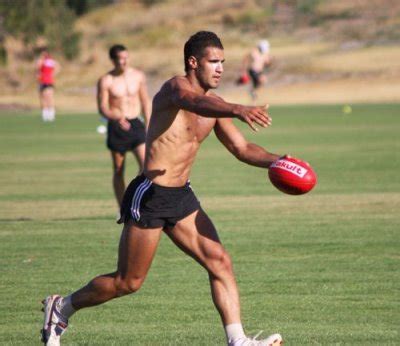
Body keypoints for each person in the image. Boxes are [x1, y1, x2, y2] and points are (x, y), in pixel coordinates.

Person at [41, 31, 283, 346]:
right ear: (193, 63)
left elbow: (242, 148)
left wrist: (282, 162)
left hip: (181, 196)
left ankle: (238, 341)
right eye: (213, 62)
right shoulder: (175, 89)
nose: (220, 68)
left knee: (219, 260)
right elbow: (191, 100)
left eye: (223, 62)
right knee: (127, 282)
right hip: (151, 194)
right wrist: (237, 108)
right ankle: (60, 308)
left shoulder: (217, 105)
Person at [97, 44, 151, 209]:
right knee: (119, 170)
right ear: (113, 60)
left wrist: (149, 125)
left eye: (125, 58)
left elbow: (145, 102)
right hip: (117, 126)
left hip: (136, 124)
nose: (123, 62)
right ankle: (123, 208)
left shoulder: (138, 76)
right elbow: (103, 107)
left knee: (146, 167)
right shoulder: (106, 80)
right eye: (119, 59)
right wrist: (116, 116)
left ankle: (135, 200)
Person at [36, 48, 60, 122]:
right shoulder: (40, 61)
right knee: (43, 99)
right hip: (41, 82)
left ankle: (51, 115)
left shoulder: (50, 61)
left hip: (48, 82)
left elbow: (58, 67)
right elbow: (37, 70)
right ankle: (45, 116)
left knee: (49, 97)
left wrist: (52, 75)